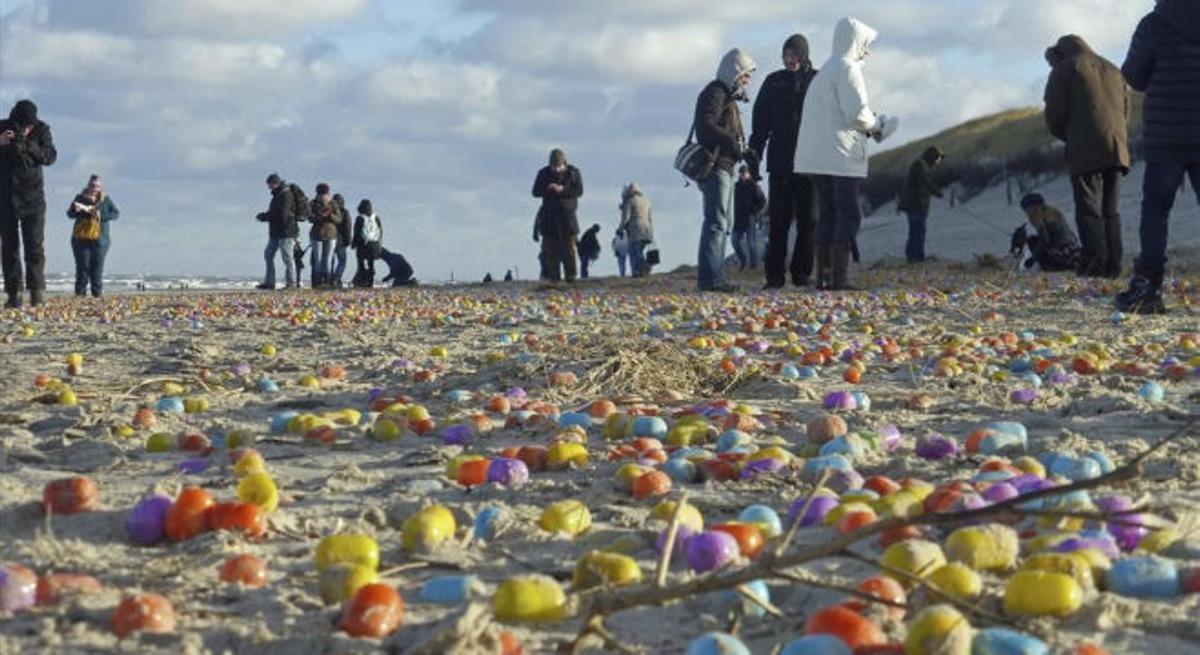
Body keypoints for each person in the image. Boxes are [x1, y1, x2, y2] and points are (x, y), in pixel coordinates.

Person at [794, 18, 896, 291]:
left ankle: (824, 277)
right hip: (840, 155)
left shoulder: (825, 70)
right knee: (848, 214)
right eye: (866, 44)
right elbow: (857, 114)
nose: (868, 51)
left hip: (815, 156)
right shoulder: (847, 69)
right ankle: (839, 277)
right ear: (857, 43)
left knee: (828, 213)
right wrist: (879, 125)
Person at [1116, 0, 1200, 315]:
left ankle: (1148, 289)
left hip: (1167, 133)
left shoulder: (1153, 23)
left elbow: (1134, 76)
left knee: (1156, 212)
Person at [1044, 34, 1131, 279]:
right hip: (1117, 147)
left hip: (1084, 148)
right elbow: (1126, 110)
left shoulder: (1065, 69)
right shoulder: (1112, 68)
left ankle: (1096, 263)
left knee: (1088, 208)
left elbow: (1054, 114)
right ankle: (1114, 264)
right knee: (1111, 210)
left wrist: (1068, 136)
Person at [750, 34, 820, 289]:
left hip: (809, 163)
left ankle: (802, 273)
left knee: (808, 220)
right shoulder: (773, 82)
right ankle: (774, 276)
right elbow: (760, 126)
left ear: (803, 55)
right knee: (778, 221)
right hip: (780, 163)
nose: (790, 60)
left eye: (794, 55)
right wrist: (753, 155)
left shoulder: (818, 81)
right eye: (786, 55)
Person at [694, 48, 757, 292]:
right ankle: (711, 279)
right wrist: (732, 143)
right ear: (734, 72)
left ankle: (714, 276)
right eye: (745, 75)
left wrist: (743, 151)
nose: (747, 80)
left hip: (725, 165)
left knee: (721, 221)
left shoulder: (725, 95)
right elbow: (705, 125)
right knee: (717, 222)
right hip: (716, 166)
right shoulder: (716, 92)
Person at [0, 99, 57, 308]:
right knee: (9, 247)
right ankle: (13, 294)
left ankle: (37, 291)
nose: (26, 128)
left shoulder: (42, 129)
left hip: (33, 197)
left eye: (29, 125)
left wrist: (28, 144)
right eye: (23, 125)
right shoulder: (3, 127)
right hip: (5, 196)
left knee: (34, 246)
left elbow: (50, 157)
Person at [532, 148, 583, 283]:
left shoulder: (573, 173)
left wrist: (563, 189)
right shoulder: (543, 173)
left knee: (569, 250)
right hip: (549, 218)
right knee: (550, 250)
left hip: (568, 218)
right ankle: (554, 279)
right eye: (554, 167)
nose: (557, 169)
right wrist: (548, 188)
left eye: (559, 166)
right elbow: (535, 192)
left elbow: (579, 190)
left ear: (564, 163)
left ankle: (571, 277)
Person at [66, 175, 119, 297]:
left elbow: (116, 214)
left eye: (97, 186)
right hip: (81, 238)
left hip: (100, 239)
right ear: (88, 185)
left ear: (100, 187)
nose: (94, 188)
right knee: (82, 267)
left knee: (97, 268)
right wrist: (78, 210)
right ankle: (80, 294)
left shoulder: (106, 200)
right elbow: (70, 214)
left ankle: (97, 294)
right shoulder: (79, 198)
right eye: (92, 185)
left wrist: (100, 215)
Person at [897, 146, 945, 263]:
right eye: (938, 158)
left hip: (917, 205)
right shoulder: (920, 165)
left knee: (917, 231)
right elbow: (924, 183)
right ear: (932, 156)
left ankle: (915, 257)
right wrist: (937, 192)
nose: (939, 161)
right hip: (916, 205)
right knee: (917, 231)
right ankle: (915, 258)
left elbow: (925, 184)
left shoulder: (923, 165)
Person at [255, 173, 297, 290]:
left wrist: (265, 216)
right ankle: (269, 282)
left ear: (275, 183)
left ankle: (291, 283)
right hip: (275, 232)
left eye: (270, 185)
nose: (269, 187)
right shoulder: (277, 195)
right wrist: (266, 216)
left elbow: (282, 214)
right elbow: (277, 213)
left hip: (286, 232)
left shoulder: (286, 194)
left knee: (287, 258)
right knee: (268, 255)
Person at [1018, 193, 1081, 272]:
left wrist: (1033, 258)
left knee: (1032, 242)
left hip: (1063, 254)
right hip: (1072, 250)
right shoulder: (1052, 212)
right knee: (1034, 240)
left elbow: (1045, 242)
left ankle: (1055, 266)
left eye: (1026, 209)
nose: (1026, 212)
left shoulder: (1040, 219)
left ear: (1033, 207)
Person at [733, 165, 766, 270]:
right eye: (741, 173)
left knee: (751, 243)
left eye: (744, 172)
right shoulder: (736, 186)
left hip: (750, 218)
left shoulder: (754, 186)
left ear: (748, 174)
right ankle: (743, 261)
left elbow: (762, 201)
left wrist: (753, 210)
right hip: (738, 218)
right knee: (735, 241)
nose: (742, 174)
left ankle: (753, 265)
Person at [308, 183, 340, 289]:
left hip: (330, 235)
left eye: (325, 194)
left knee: (327, 259)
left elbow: (339, 219)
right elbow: (310, 217)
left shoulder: (333, 203)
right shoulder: (313, 203)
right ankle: (318, 283)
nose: (323, 196)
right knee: (318, 260)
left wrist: (330, 215)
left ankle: (326, 282)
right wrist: (320, 216)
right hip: (317, 234)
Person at [619, 183, 654, 277]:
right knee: (639, 251)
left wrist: (620, 229)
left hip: (635, 230)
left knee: (634, 252)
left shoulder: (630, 201)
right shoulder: (647, 201)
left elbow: (626, 218)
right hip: (647, 230)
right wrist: (651, 233)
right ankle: (639, 271)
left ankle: (642, 268)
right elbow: (650, 218)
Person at [352, 199, 382, 288]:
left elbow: (356, 232)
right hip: (374, 244)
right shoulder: (376, 217)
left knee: (361, 264)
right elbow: (380, 231)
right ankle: (370, 282)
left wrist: (354, 244)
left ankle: (362, 281)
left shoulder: (360, 218)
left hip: (363, 244)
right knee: (371, 264)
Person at [332, 193, 352, 289]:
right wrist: (348, 240)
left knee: (330, 260)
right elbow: (348, 227)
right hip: (341, 240)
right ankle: (336, 278)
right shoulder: (345, 212)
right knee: (342, 261)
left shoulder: (331, 211)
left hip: (330, 238)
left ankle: (330, 279)